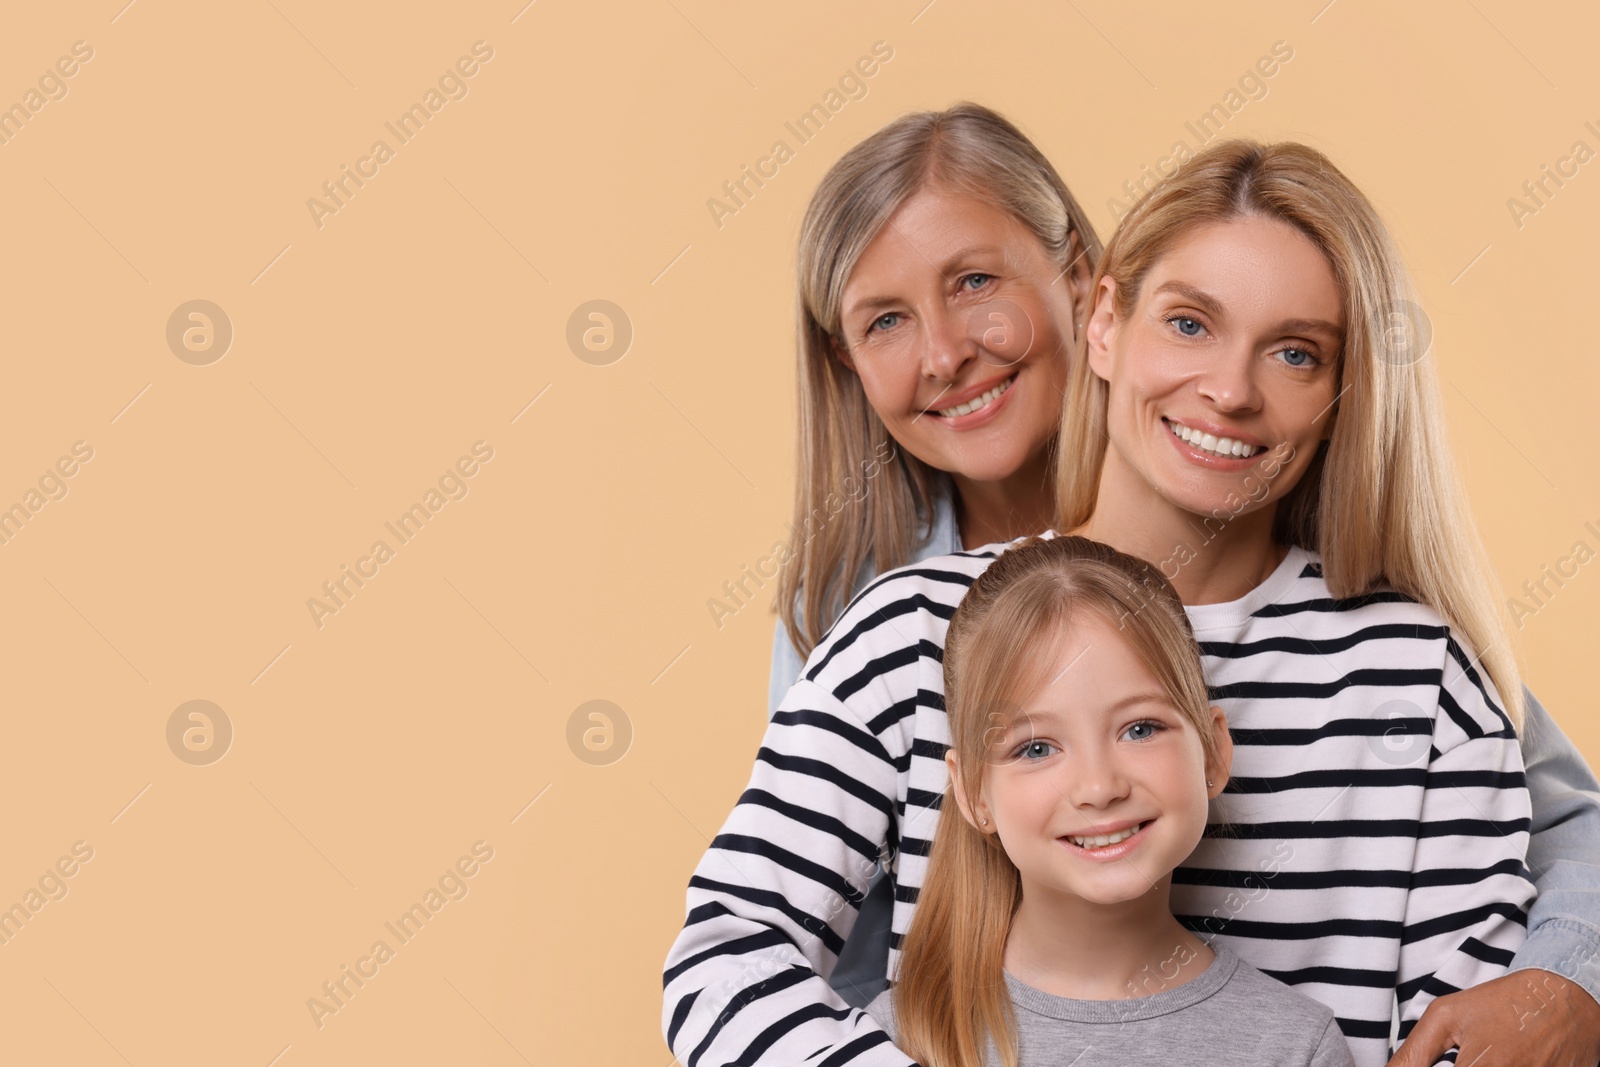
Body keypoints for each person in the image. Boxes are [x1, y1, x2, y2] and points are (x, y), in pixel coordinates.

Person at [664, 136, 1600, 1067]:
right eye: (1190, 324)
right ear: (1103, 317)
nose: (1230, 391)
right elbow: (724, 956)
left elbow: (1470, 1026)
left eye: (1295, 353)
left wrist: (1575, 970)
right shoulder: (908, 632)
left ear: (1343, 391)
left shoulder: (1422, 677)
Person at [871, 534, 1366, 1066]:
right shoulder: (895, 1039)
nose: (1099, 787)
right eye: (1035, 747)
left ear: (1213, 752)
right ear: (972, 795)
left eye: (1140, 729)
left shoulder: (1295, 1046)